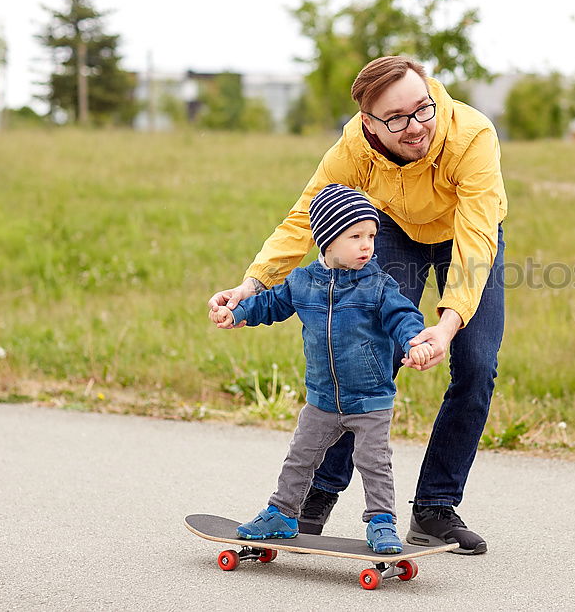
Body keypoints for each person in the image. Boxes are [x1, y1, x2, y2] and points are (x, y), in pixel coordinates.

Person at [208, 55, 507, 555]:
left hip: (466, 231)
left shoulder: (471, 136)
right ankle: (315, 497)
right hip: (391, 230)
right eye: (396, 119)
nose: (416, 126)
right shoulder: (353, 146)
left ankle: (434, 508)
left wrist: (448, 323)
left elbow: (475, 239)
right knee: (364, 358)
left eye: (422, 109)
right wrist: (253, 285)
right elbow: (305, 218)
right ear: (369, 123)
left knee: (475, 363)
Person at [210, 184, 436, 554]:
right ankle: (282, 514)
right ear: (327, 240)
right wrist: (236, 313)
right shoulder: (302, 282)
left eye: (372, 236)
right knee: (300, 456)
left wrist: (417, 342)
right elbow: (269, 304)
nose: (368, 245)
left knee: (373, 463)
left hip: (370, 400)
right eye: (356, 236)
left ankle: (381, 522)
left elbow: (404, 317)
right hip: (321, 399)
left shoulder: (379, 285)